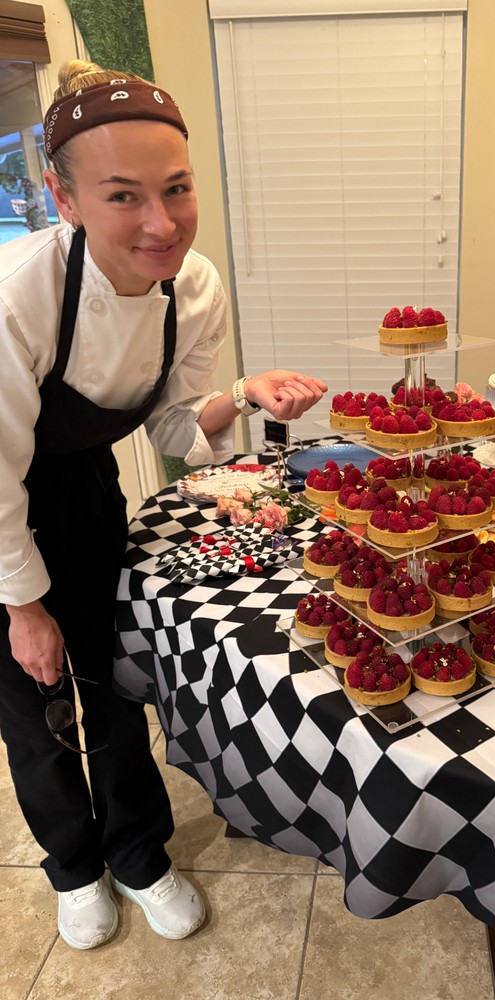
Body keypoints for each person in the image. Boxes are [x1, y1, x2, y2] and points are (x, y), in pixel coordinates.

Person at [0, 60, 327, 951]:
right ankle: (72, 867)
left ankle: (139, 854)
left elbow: (177, 428)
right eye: (123, 196)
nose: (161, 223)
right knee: (32, 707)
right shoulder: (17, 294)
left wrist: (248, 396)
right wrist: (25, 606)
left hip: (83, 493)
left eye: (177, 189)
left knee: (111, 686)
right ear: (63, 199)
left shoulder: (197, 287)